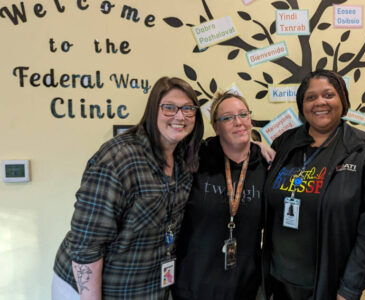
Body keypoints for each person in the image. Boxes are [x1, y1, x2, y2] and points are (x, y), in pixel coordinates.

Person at [52, 76, 204, 299]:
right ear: (153, 111)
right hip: (90, 289)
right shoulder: (118, 159)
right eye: (169, 108)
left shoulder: (184, 159)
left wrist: (256, 148)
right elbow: (86, 246)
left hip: (143, 289)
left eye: (188, 109)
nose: (180, 116)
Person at [262, 69, 365, 300]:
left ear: (343, 101)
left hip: (328, 286)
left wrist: (350, 288)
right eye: (311, 97)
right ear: (302, 105)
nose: (319, 102)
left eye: (328, 95)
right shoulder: (285, 143)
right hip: (277, 281)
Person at [173, 92, 268, 299]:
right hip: (194, 286)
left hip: (245, 287)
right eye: (227, 118)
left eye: (243, 114)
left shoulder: (267, 165)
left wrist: (260, 145)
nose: (238, 122)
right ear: (216, 127)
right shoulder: (196, 158)